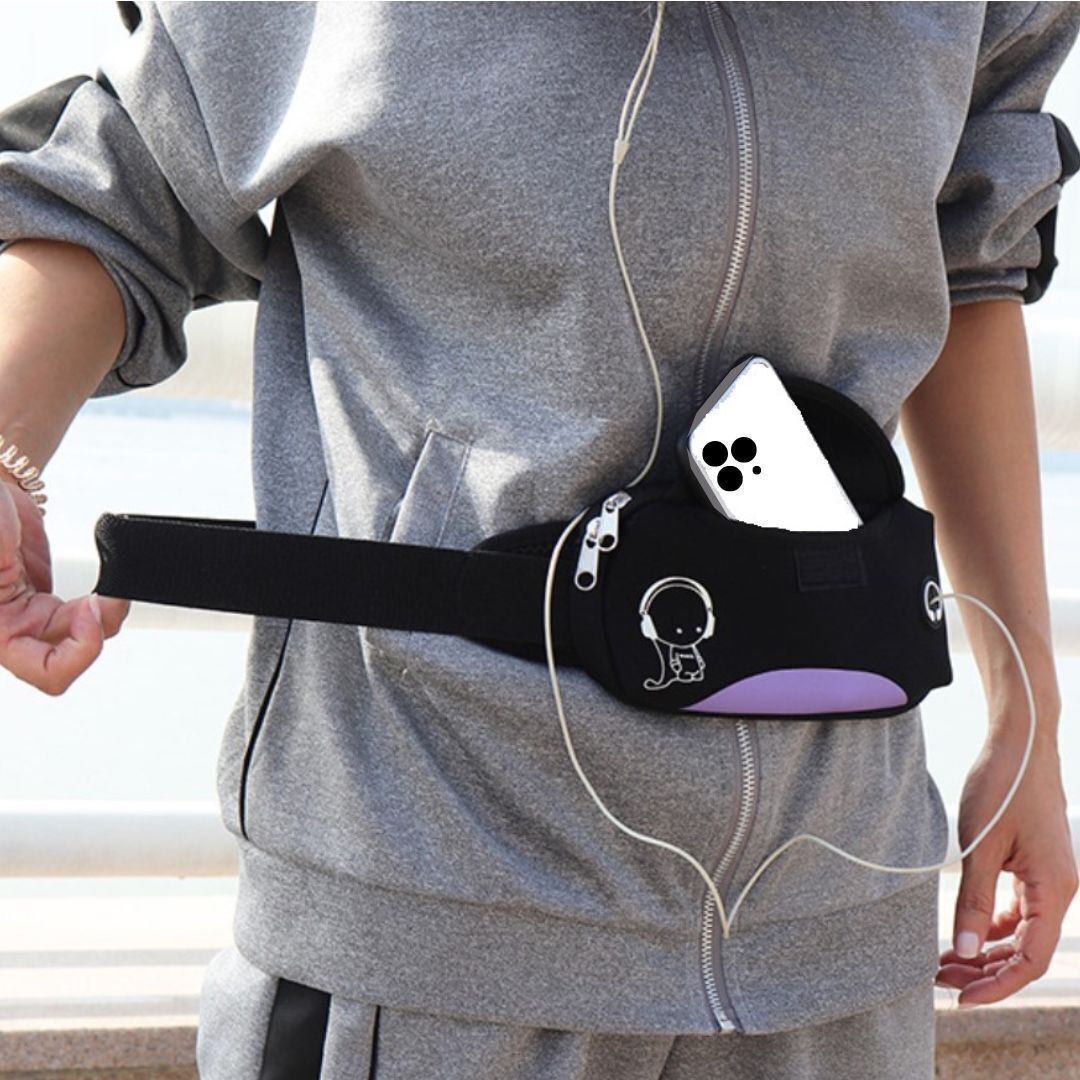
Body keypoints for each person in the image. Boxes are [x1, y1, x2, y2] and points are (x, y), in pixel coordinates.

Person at [1, 3, 1078, 1076]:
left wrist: (1026, 715)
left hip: (840, 932)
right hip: (430, 924)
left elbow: (970, 264)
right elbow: (122, 194)